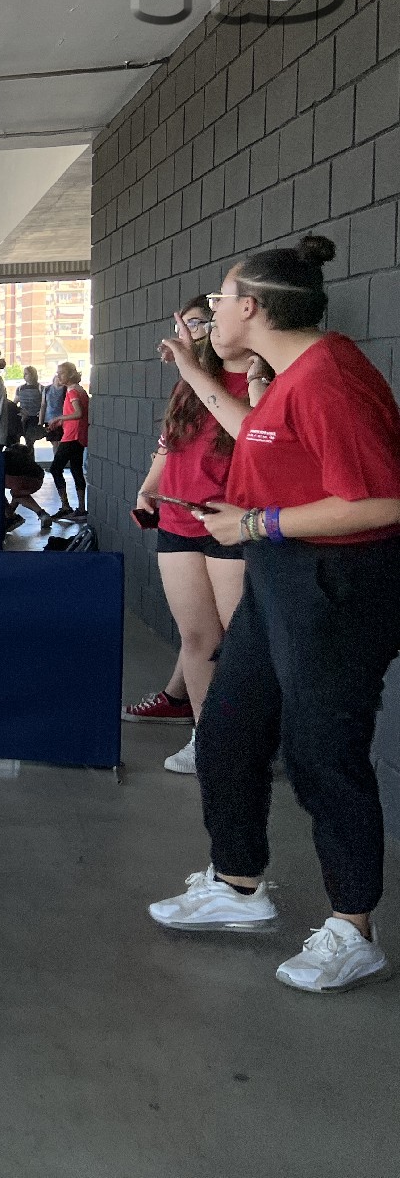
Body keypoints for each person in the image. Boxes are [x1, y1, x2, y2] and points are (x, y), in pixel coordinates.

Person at [148, 235, 400, 995]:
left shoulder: (329, 380)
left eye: (220, 300)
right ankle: (237, 885)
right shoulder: (291, 376)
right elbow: (256, 433)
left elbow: (383, 500)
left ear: (251, 307)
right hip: (279, 577)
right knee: (228, 730)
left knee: (323, 753)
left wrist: (258, 524)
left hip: (336, 585)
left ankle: (354, 928)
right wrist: (197, 374)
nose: (212, 313)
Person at [125, 296, 257, 772]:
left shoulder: (263, 381)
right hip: (178, 521)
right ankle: (207, 738)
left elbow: (257, 440)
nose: (201, 332)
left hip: (230, 522)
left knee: (237, 644)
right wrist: (149, 487)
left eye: (205, 322)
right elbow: (170, 441)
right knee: (198, 640)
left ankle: (243, 742)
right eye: (192, 324)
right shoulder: (190, 379)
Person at [45, 363, 89, 517]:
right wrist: (60, 422)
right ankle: (81, 508)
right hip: (79, 434)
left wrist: (59, 418)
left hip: (72, 435)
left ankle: (65, 506)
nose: (58, 376)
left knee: (55, 468)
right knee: (76, 469)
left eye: (62, 373)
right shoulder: (80, 389)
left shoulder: (72, 391)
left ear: (70, 374)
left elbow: (78, 413)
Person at [2, 443, 50, 529]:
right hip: (38, 479)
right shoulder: (25, 459)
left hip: (18, 478)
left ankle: (10, 517)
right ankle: (42, 514)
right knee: (17, 494)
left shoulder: (3, 458)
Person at [14, 366, 45, 446]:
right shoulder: (20, 388)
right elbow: (15, 402)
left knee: (30, 441)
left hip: (34, 418)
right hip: (22, 418)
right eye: (24, 374)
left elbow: (44, 404)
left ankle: (29, 453)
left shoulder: (40, 388)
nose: (24, 376)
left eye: (26, 374)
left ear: (32, 374)